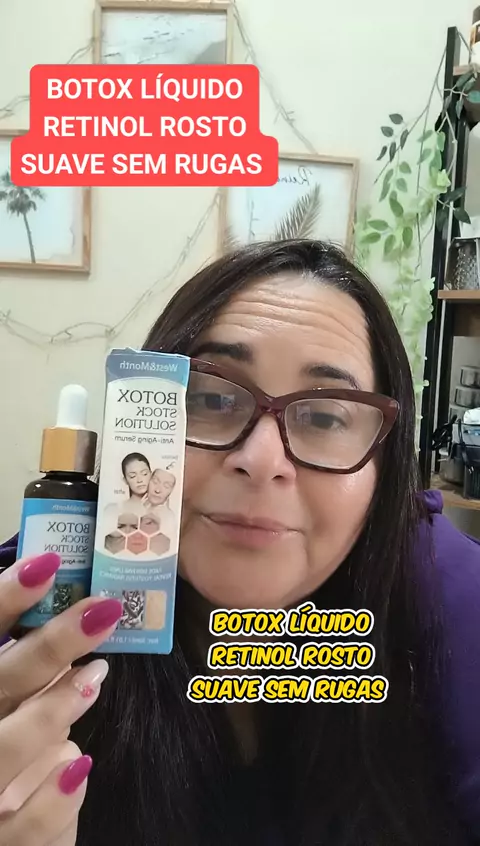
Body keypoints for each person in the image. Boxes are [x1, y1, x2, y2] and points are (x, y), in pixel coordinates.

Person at [0, 239, 479, 846]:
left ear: (384, 471)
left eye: (325, 416)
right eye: (211, 399)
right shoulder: (45, 593)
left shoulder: (447, 595)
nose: (261, 460)